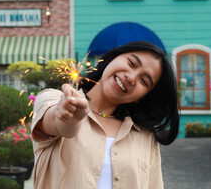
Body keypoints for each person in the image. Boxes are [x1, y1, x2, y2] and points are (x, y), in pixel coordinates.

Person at [31, 41, 180, 189]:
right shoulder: (54, 100)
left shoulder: (145, 135)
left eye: (143, 80)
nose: (131, 77)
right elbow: (61, 125)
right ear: (113, 58)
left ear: (144, 96)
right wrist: (69, 118)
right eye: (132, 63)